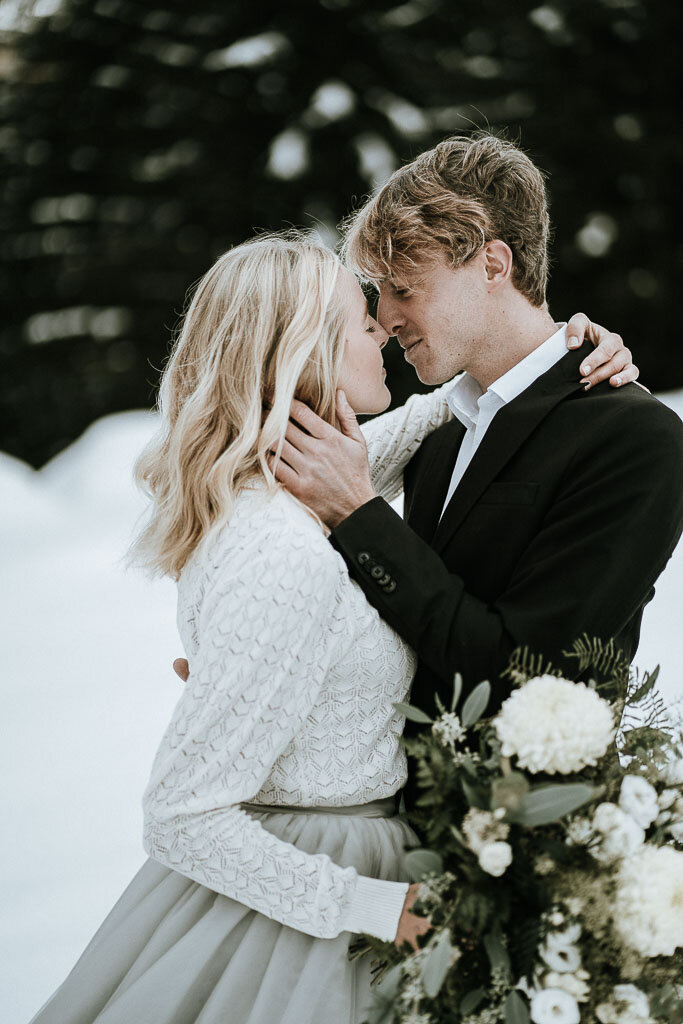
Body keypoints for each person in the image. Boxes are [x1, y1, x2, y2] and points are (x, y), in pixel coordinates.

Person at [31, 227, 635, 1024]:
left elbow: (410, 435)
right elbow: (180, 814)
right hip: (315, 899)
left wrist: (555, 350)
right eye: (360, 320)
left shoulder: (282, 481)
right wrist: (376, 908)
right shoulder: (281, 552)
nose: (382, 328)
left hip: (351, 853)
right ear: (304, 349)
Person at [268, 135, 683, 814]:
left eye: (403, 287)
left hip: (528, 850)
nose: (385, 318)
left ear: (491, 263)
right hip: (395, 833)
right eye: (378, 292)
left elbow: (528, 672)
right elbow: (404, 633)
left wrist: (358, 514)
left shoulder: (632, 436)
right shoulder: (437, 429)